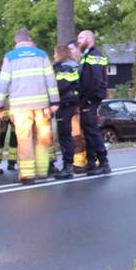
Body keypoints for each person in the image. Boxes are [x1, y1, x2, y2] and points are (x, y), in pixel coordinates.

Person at [0, 28, 60, 185]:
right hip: (42, 106)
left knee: (24, 139)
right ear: (29, 39)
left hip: (20, 107)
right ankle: (42, 171)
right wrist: (54, 101)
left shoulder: (10, 57)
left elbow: (3, 82)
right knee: (42, 139)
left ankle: (27, 175)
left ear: (16, 40)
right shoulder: (42, 55)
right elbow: (50, 79)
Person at [77, 29, 111, 175]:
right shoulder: (86, 55)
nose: (78, 40)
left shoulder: (95, 55)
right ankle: (91, 162)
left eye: (81, 37)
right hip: (86, 99)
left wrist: (87, 98)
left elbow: (96, 80)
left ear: (90, 39)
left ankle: (103, 162)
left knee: (92, 130)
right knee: (88, 130)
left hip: (91, 98)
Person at [53, 44, 80, 180]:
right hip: (69, 102)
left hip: (65, 103)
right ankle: (68, 165)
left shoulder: (66, 67)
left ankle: (68, 167)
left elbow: (61, 85)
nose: (53, 56)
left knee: (65, 136)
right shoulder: (72, 65)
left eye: (55, 53)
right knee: (65, 135)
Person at [66, 41, 89, 173]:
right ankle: (80, 161)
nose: (70, 53)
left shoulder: (82, 65)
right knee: (76, 134)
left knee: (83, 133)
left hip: (82, 103)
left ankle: (88, 160)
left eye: (72, 49)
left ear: (78, 50)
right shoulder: (72, 66)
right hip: (75, 105)